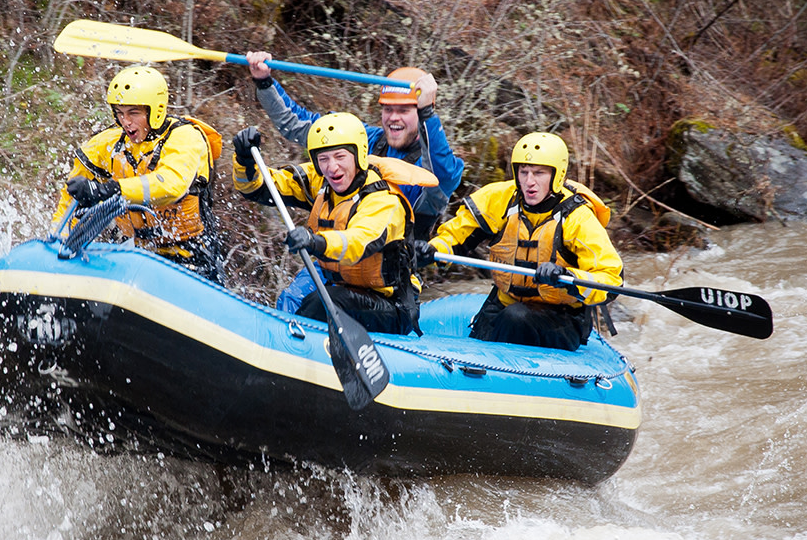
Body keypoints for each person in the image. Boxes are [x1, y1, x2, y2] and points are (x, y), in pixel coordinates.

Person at [413, 132, 623, 351]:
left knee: (516, 317)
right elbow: (456, 237)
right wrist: (432, 249)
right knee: (499, 323)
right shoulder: (500, 200)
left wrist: (568, 277)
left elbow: (610, 280)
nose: (529, 182)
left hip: (561, 317)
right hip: (505, 303)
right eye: (524, 172)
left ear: (557, 175)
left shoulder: (578, 218)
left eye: (539, 173)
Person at [233, 112, 438, 336]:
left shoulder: (384, 200)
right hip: (345, 289)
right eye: (323, 159)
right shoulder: (322, 181)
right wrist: (245, 160)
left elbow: (358, 242)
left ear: (358, 155)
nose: (332, 167)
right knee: (292, 299)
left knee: (323, 301)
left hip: (391, 306)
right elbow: (261, 188)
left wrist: (315, 242)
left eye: (340, 156)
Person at [245, 52, 464, 240]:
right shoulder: (364, 138)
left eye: (404, 111)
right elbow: (296, 124)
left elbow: (442, 171)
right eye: (388, 109)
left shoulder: (437, 170)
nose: (393, 118)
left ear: (421, 113)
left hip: (388, 275)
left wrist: (427, 113)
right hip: (337, 253)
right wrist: (264, 82)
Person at [52, 65, 224, 283]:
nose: (126, 122)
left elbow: (170, 185)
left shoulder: (185, 138)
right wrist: (60, 237)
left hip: (191, 259)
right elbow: (70, 197)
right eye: (120, 113)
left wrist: (110, 189)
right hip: (133, 255)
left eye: (134, 113)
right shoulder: (108, 144)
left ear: (155, 111)